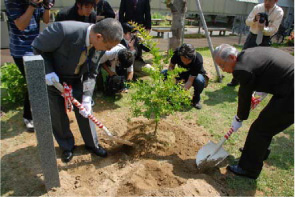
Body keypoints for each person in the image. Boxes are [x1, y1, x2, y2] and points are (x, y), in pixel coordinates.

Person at [32, 18, 123, 163]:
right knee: (58, 115)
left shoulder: (99, 44)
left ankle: (92, 144)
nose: (108, 51)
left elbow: (92, 72)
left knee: (86, 113)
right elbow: (37, 47)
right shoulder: (63, 30)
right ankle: (67, 146)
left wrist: (87, 96)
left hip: (77, 79)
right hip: (54, 79)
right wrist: (48, 72)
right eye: (108, 47)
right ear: (98, 37)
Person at [213, 44, 294, 179]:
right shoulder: (247, 54)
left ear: (232, 57)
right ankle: (257, 152)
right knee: (265, 124)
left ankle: (249, 169)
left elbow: (244, 95)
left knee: (261, 129)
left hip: (291, 93)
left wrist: (239, 118)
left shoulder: (241, 69)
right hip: (288, 86)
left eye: (222, 65)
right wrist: (258, 94)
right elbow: (263, 72)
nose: (222, 69)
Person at [5, 0, 53, 132]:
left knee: (35, 81)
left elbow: (46, 20)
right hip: (20, 50)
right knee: (33, 81)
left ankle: (33, 115)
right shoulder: (11, 1)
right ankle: (29, 116)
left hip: (35, 47)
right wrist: (32, 5)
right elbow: (21, 25)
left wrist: (47, 7)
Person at [227, 0, 284, 87]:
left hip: (265, 38)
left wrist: (263, 28)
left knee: (262, 62)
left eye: (270, 0)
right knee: (242, 58)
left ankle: (256, 84)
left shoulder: (278, 12)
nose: (267, 2)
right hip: (252, 36)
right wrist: (254, 19)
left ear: (276, 1)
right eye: (265, 0)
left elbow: (274, 29)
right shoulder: (258, 7)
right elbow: (247, 22)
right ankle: (235, 80)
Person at [163, 43, 208, 110]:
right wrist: (172, 79)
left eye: (188, 60)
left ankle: (196, 100)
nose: (185, 62)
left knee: (200, 80)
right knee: (164, 73)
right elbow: (171, 67)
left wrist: (180, 94)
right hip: (181, 73)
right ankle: (170, 95)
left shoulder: (198, 59)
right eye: (183, 59)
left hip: (194, 77)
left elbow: (190, 80)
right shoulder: (177, 54)